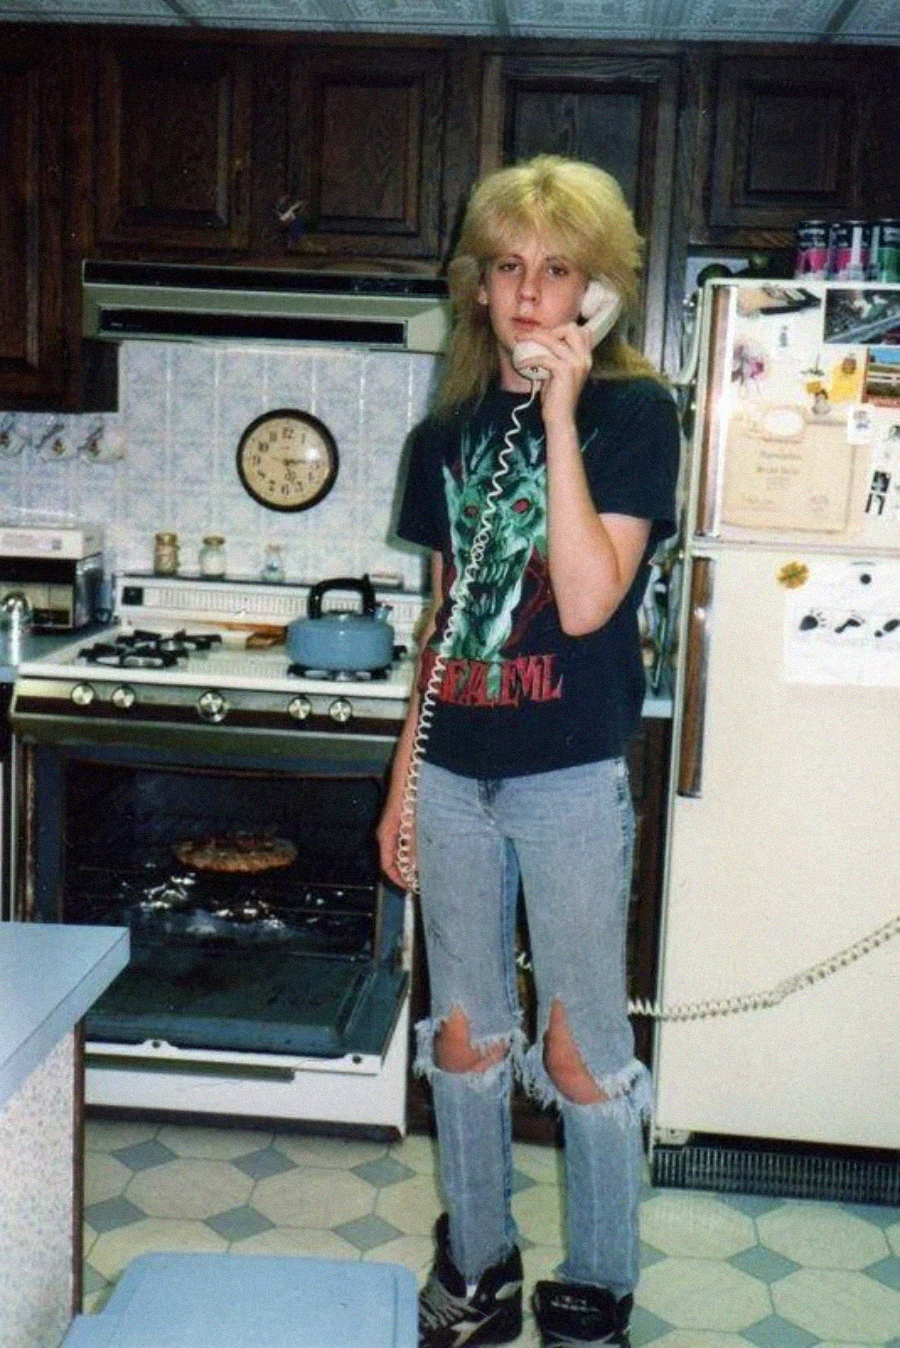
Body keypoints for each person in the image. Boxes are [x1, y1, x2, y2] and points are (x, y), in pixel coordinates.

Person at [377, 155, 679, 1348]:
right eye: (508, 267)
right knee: (461, 1032)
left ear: (596, 291)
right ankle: (482, 1257)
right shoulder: (442, 434)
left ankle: (599, 1275)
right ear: (480, 285)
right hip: (455, 773)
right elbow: (445, 623)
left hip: (566, 774)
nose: (530, 293)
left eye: (559, 271)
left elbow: (593, 598)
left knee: (579, 1044)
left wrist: (559, 414)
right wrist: (403, 780)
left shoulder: (633, 415)